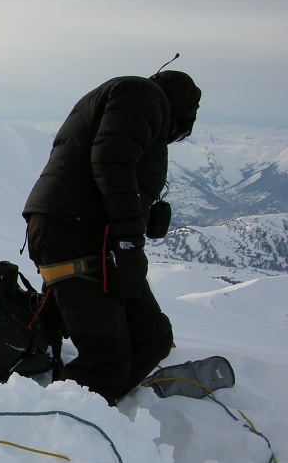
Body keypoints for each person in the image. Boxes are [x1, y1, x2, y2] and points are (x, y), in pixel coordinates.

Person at [22, 69, 202, 405]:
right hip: (73, 233)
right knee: (108, 358)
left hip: (85, 234)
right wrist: (131, 245)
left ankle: (105, 402)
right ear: (184, 115)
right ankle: (49, 422)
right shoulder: (143, 96)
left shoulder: (136, 101)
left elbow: (104, 168)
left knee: (152, 336)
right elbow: (111, 164)